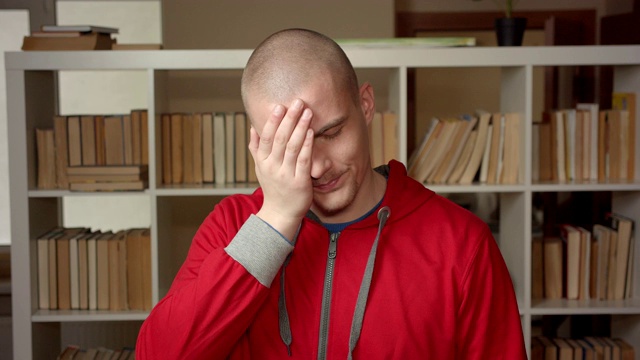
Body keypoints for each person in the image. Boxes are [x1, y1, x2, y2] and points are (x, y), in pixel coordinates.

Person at [136, 28, 527, 359]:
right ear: (258, 142)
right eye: (291, 145)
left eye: (331, 133)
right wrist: (274, 224)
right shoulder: (232, 227)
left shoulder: (460, 243)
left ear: (366, 104)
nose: (317, 166)